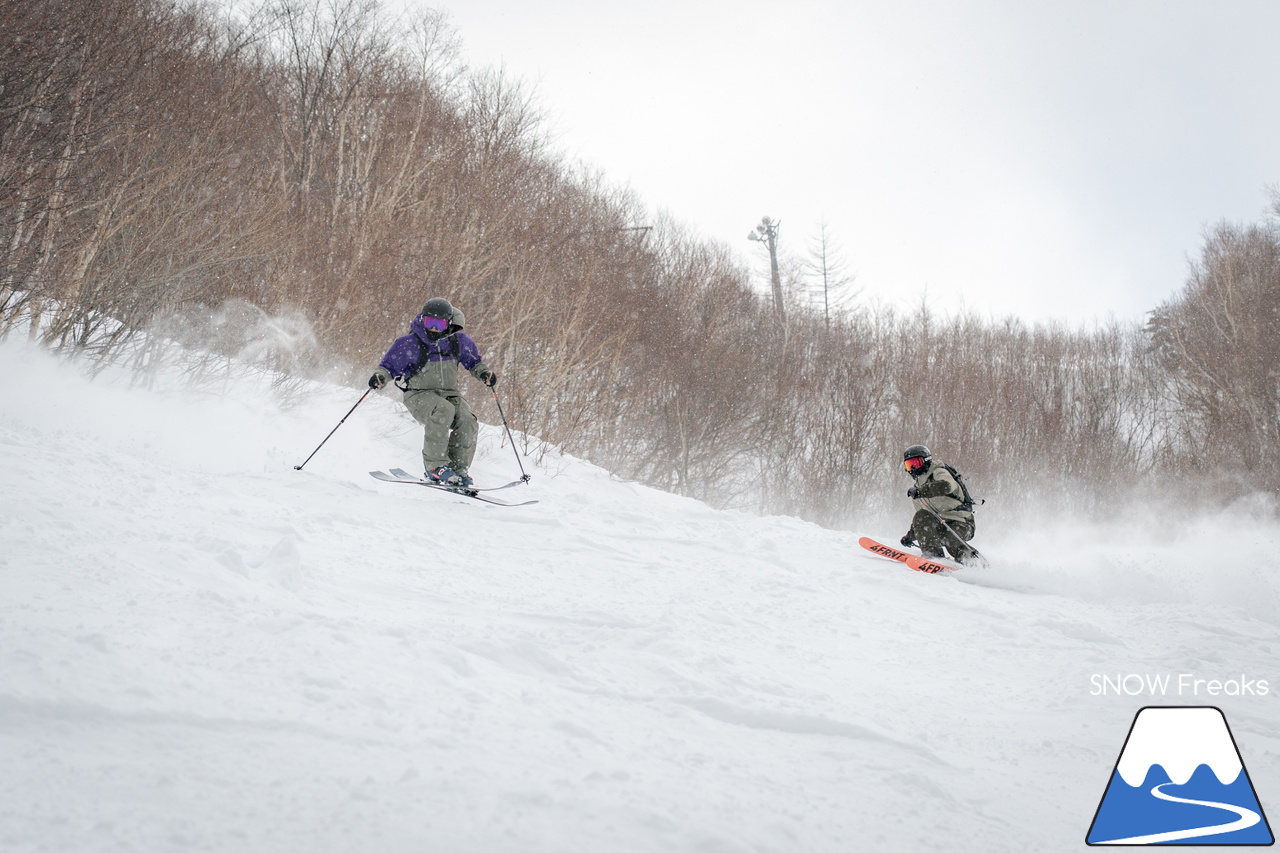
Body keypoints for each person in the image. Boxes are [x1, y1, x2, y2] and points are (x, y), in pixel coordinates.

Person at [368, 297, 497, 488]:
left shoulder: (458, 342)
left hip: (450, 394)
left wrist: (485, 373)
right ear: (422, 320)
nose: (434, 329)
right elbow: (388, 367)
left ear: (448, 323)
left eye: (439, 324)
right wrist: (379, 377)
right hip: (418, 395)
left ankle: (458, 470)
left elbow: (475, 363)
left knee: (467, 419)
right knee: (443, 410)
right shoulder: (409, 343)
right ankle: (435, 467)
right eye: (430, 323)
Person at [898, 444, 978, 564]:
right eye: (909, 465)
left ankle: (971, 562)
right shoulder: (917, 491)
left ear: (926, 461)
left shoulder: (939, 472)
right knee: (922, 515)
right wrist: (910, 537)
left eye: (916, 463)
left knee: (949, 538)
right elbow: (922, 519)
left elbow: (946, 485)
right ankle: (933, 555)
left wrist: (921, 491)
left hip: (962, 522)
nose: (913, 469)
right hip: (940, 524)